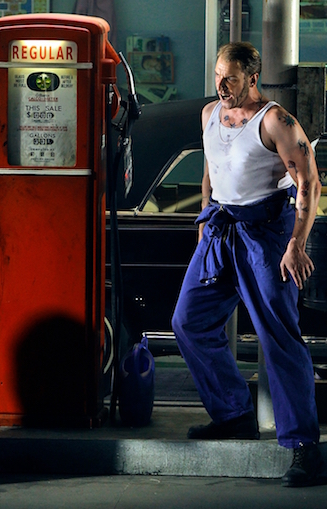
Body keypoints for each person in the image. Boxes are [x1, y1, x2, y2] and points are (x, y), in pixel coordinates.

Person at [171, 41, 325, 488]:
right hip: (220, 230)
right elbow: (210, 167)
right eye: (218, 76)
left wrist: (296, 244)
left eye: (231, 79)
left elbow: (310, 183)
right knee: (189, 322)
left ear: (252, 80)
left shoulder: (276, 121)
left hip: (266, 236)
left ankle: (304, 447)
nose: (221, 85)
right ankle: (234, 414)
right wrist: (204, 213)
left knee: (279, 337)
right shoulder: (209, 114)